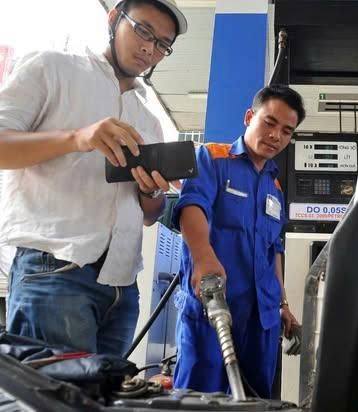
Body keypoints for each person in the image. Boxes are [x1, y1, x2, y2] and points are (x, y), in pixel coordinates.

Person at [0, 0, 187, 356]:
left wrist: (150, 192)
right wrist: (78, 138)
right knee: (55, 390)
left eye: (163, 44)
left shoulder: (149, 119)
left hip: (122, 287)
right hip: (55, 272)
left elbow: (149, 215)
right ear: (114, 18)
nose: (149, 49)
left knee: (108, 389)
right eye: (143, 31)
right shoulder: (52, 69)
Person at [172, 85, 304, 398]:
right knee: (198, 399)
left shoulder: (274, 187)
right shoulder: (212, 158)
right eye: (269, 123)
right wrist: (203, 258)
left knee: (256, 400)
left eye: (286, 131)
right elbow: (192, 206)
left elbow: (274, 250)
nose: (276, 136)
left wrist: (282, 304)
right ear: (249, 117)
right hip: (214, 309)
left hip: (262, 320)